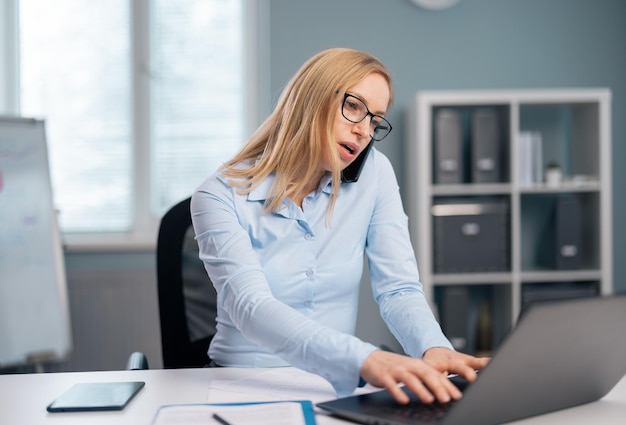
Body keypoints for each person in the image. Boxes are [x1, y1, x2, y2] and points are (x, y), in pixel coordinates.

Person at [190, 47, 489, 404]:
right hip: (245, 384)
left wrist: (432, 347)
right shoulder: (218, 195)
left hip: (333, 387)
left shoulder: (375, 174)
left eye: (375, 120)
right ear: (312, 98)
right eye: (353, 107)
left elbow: (398, 288)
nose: (363, 131)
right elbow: (251, 308)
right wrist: (364, 359)